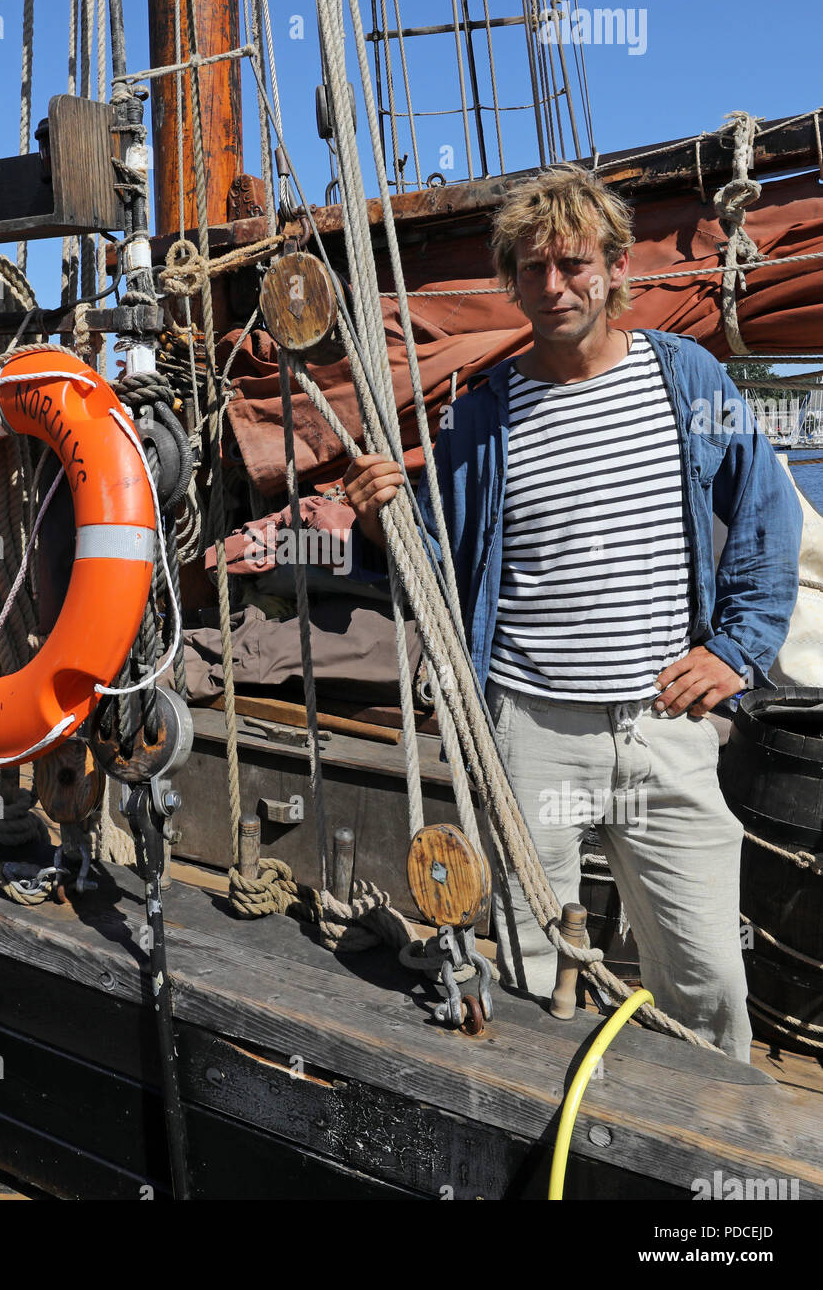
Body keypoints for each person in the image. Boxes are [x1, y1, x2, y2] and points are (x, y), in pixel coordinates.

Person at [344, 164, 802, 1061]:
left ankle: (706, 1156)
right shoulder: (479, 417)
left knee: (706, 979)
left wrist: (738, 651)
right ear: (510, 279)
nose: (552, 287)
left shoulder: (685, 378)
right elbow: (445, 574)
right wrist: (380, 519)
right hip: (529, 725)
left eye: (572, 264)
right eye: (530, 268)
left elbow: (762, 516)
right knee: (523, 968)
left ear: (614, 267)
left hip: (660, 724)